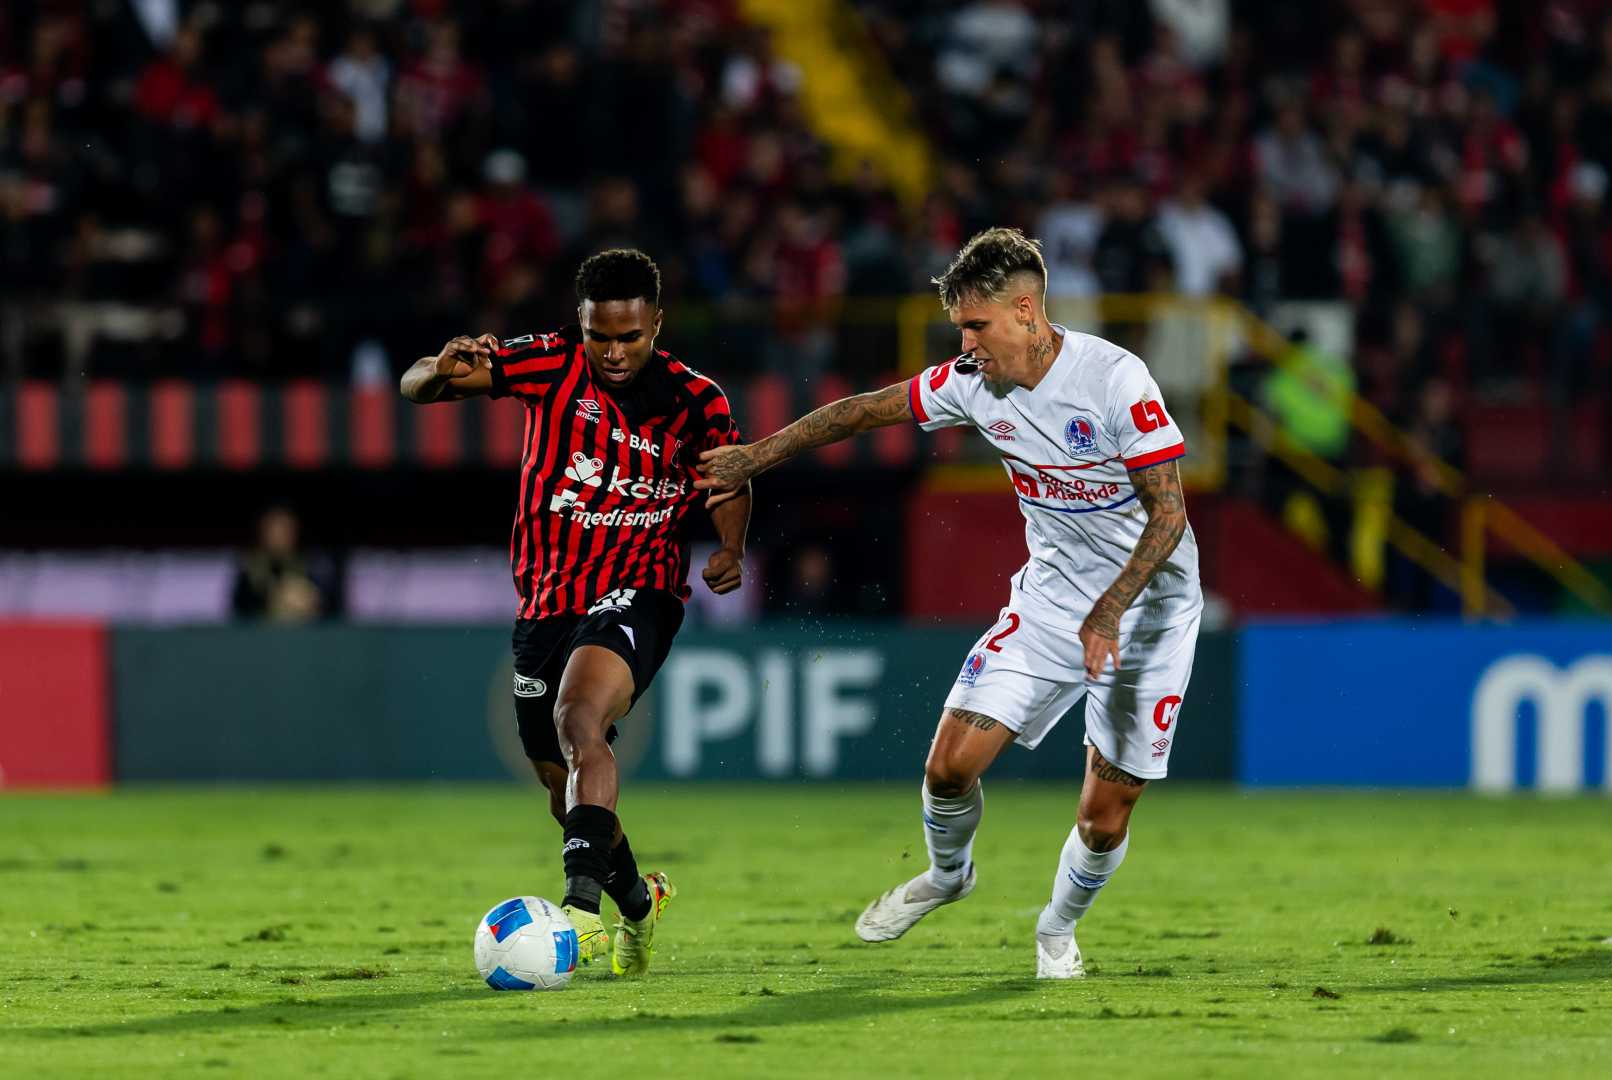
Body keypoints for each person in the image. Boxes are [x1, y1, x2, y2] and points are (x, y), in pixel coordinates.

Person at [697, 228, 1202, 979]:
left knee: (1104, 817)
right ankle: (948, 874)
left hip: (1149, 613)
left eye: (976, 326)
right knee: (947, 769)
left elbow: (1169, 516)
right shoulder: (972, 380)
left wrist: (1110, 612)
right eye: (958, 326)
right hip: (1053, 603)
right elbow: (863, 412)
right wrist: (754, 457)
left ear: (1027, 312)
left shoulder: (1114, 380)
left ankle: (1056, 930)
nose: (963, 343)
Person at [400, 249, 751, 976]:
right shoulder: (549, 361)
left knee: (578, 720)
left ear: (657, 322)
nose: (615, 353)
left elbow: (728, 479)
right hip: (547, 600)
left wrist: (730, 547)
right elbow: (417, 388)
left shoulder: (697, 399)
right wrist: (438, 366)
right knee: (563, 794)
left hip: (642, 588)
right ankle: (639, 905)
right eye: (601, 337)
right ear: (581, 323)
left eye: (631, 337)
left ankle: (579, 915)